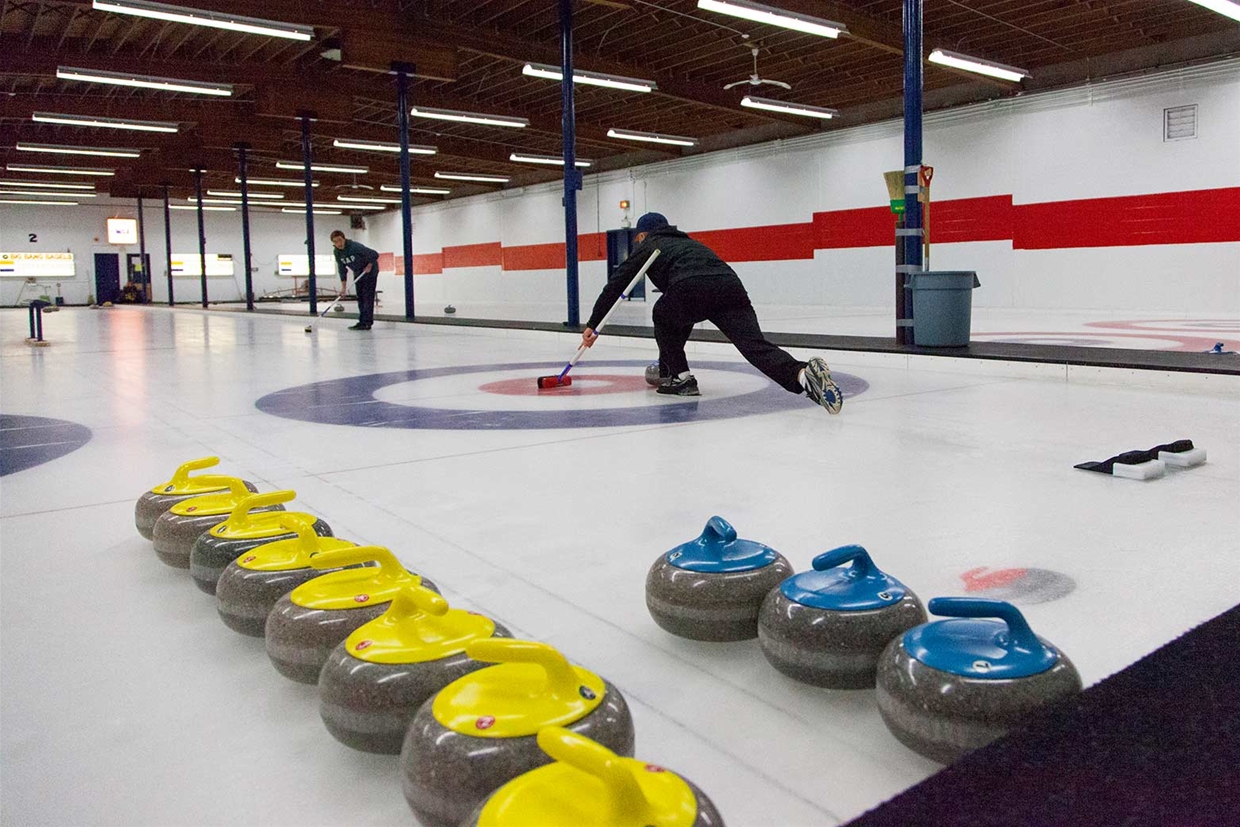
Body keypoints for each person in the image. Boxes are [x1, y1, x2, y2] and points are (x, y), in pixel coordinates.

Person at [581, 212, 842, 414]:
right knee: (754, 346)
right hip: (730, 287)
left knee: (663, 313)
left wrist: (594, 324)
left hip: (690, 287)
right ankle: (803, 376)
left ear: (641, 235)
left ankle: (680, 377)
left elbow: (617, 283)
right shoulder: (689, 243)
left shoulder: (649, 245)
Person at [330, 230, 380, 330]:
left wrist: (369, 265)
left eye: (340, 240)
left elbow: (374, 254)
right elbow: (342, 269)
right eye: (335, 242)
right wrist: (343, 288)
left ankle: (367, 323)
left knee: (367, 297)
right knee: (360, 297)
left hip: (370, 271)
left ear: (344, 239)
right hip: (358, 272)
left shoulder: (354, 246)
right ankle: (361, 321)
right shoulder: (337, 252)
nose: (338, 244)